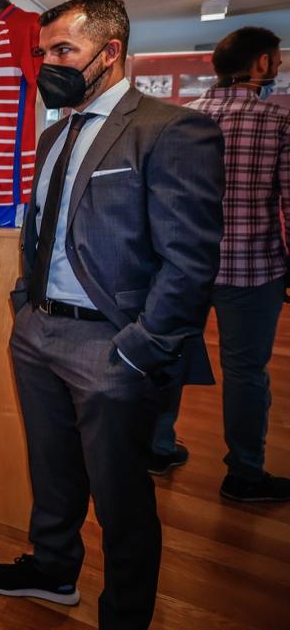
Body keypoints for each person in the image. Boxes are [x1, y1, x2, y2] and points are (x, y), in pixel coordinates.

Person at [0, 0, 224, 629]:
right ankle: (54, 569)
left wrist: (143, 348)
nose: (49, 64)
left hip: (112, 346)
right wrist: (23, 304)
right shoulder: (55, 132)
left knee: (122, 496)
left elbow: (191, 261)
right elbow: (43, 228)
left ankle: (126, 612)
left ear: (109, 53)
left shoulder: (170, 129)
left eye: (64, 51)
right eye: (43, 53)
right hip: (38, 330)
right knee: (51, 468)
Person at [148, 27, 290, 501]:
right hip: (253, 269)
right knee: (247, 372)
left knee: (167, 356)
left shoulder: (180, 119)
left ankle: (157, 447)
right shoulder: (278, 122)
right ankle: (245, 474)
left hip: (181, 266)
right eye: (276, 59)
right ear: (263, 65)